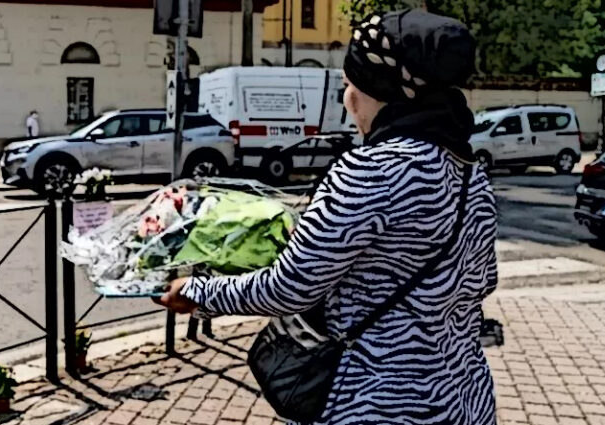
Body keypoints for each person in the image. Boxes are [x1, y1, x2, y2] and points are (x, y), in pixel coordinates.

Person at [155, 9, 497, 424]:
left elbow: (289, 288)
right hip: (463, 396)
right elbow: (481, 280)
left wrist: (198, 292)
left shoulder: (371, 169)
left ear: (378, 90)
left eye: (349, 84)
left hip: (376, 401)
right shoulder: (468, 171)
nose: (345, 97)